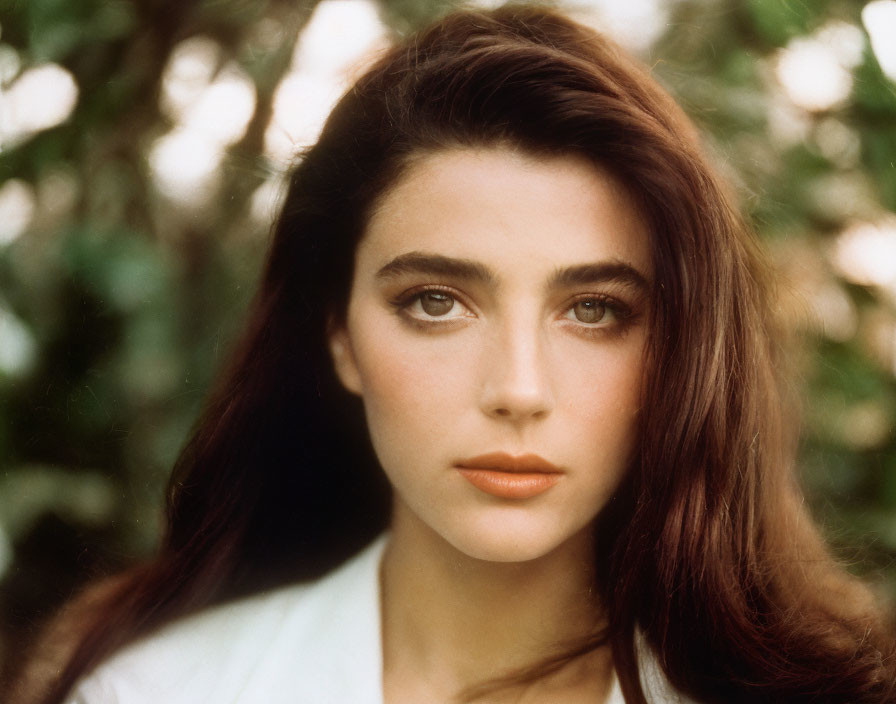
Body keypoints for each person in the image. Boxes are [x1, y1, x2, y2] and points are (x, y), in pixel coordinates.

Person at [10, 4, 896, 703]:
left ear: (681, 348)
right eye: (436, 303)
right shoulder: (157, 695)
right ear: (339, 334)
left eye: (594, 309)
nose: (518, 388)